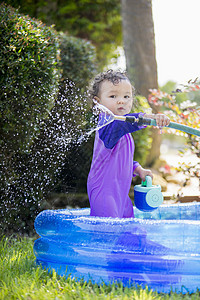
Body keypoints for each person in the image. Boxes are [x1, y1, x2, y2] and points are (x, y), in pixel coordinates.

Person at [87, 70, 170, 218]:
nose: (121, 101)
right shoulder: (107, 124)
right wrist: (151, 118)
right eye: (113, 96)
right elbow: (125, 124)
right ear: (98, 103)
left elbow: (120, 159)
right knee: (107, 235)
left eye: (126, 96)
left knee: (129, 231)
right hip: (104, 192)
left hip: (121, 193)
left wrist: (138, 170)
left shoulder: (123, 130)